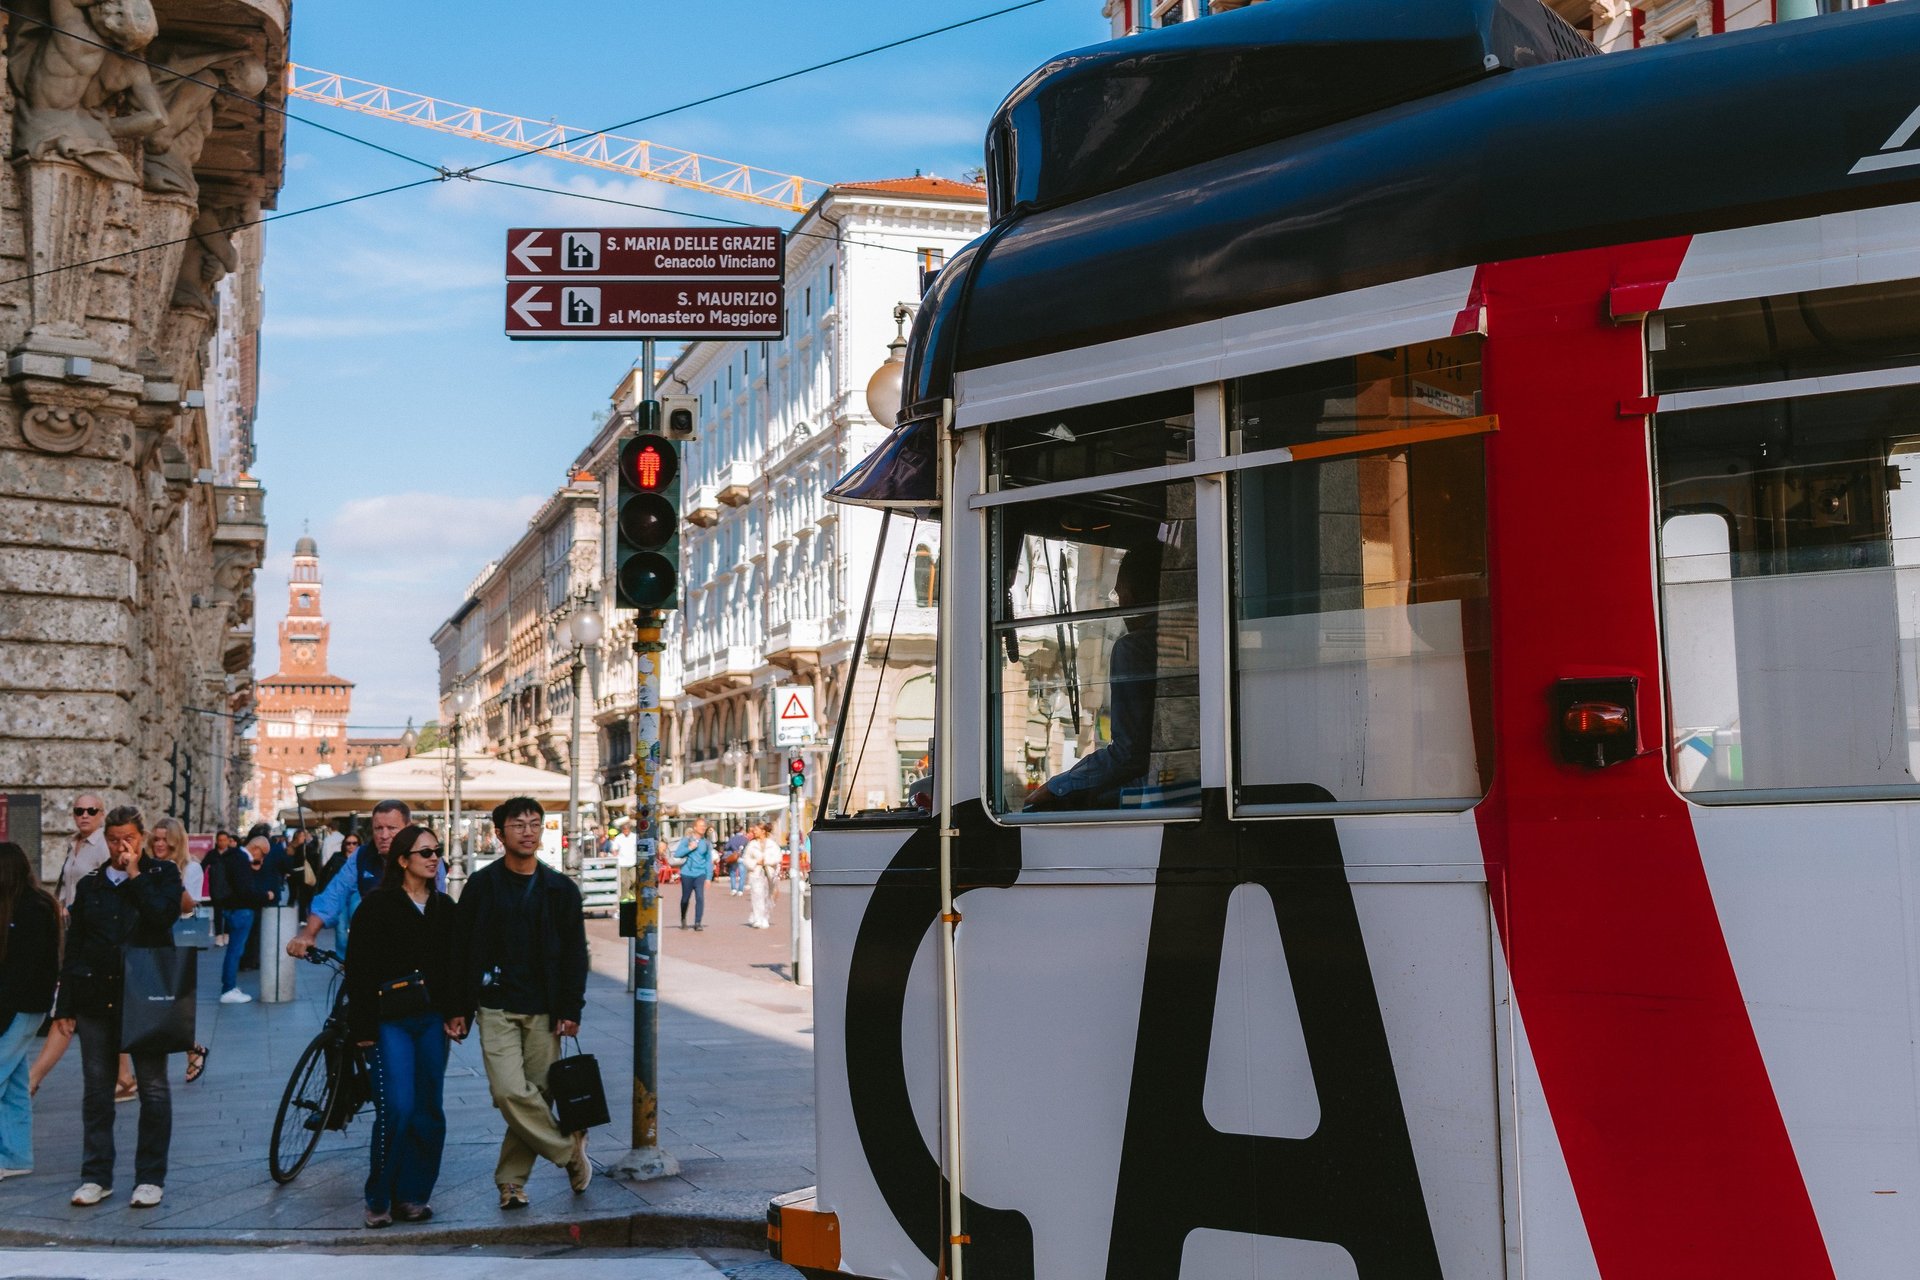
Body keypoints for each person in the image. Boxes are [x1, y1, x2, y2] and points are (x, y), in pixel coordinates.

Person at [453, 796, 590, 1210]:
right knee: (509, 1091)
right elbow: (462, 950)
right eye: (518, 824)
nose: (528, 831)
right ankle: (569, 1149)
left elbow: (574, 954)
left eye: (535, 823)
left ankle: (511, 1181)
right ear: (499, 834)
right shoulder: (481, 886)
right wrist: (457, 1007)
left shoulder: (560, 889)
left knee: (540, 1091)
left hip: (544, 1008)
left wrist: (571, 1010)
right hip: (495, 1004)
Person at [56, 806, 184, 1209]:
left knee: (153, 1088)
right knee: (97, 1091)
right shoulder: (92, 884)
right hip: (97, 995)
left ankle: (150, 1177)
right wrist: (66, 1004)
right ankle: (96, 1176)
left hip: (145, 994)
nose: (120, 846)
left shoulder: (161, 875)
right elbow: (76, 943)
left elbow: (163, 917)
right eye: (113, 839)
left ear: (141, 837)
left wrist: (134, 877)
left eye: (127, 838)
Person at [345, 826, 462, 1228]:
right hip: (388, 1021)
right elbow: (358, 970)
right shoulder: (377, 906)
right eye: (425, 852)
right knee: (398, 1107)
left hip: (431, 1020)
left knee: (429, 1109)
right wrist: (362, 1027)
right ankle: (379, 1195)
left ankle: (413, 1195)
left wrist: (459, 1011)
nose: (434, 857)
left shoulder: (445, 907)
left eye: (437, 850)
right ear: (402, 860)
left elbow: (455, 967)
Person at [1027, 544, 1163, 810]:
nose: (1119, 604)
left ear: (1132, 596)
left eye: (1119, 592)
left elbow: (1129, 754)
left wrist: (1058, 786)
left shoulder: (1136, 648)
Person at [31, 793, 115, 1100]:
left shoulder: (103, 847)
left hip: (90, 937)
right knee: (108, 1007)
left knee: (68, 1005)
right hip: (72, 932)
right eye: (79, 810)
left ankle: (32, 1079)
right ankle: (126, 1078)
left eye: (91, 811)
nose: (84, 815)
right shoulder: (73, 843)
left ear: (102, 814)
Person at [0, 841, 60, 1181]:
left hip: (20, 1007)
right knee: (14, 1085)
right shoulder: (28, 905)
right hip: (23, 1006)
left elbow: (21, 972)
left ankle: (13, 1155)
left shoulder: (30, 909)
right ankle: (17, 1156)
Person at [289, 801, 409, 960]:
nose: (384, 835)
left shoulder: (425, 854)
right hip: (374, 947)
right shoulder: (362, 856)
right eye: (378, 828)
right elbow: (335, 892)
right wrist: (308, 934)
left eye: (392, 828)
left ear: (408, 828)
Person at [149, 819, 210, 1084]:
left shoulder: (191, 868)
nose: (160, 844)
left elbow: (188, 906)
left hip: (177, 943)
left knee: (171, 1004)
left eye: (165, 839)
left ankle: (192, 1047)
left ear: (176, 841)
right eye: (156, 839)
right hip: (151, 942)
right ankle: (191, 1048)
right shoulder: (147, 867)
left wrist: (171, 874)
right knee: (157, 1003)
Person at [210, 835, 270, 1003]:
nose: (262, 859)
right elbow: (245, 891)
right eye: (263, 854)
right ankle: (228, 988)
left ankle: (229, 986)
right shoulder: (241, 860)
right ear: (256, 848)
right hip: (241, 910)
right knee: (235, 950)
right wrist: (265, 895)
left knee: (234, 950)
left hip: (230, 908)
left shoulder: (231, 856)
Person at [668, 818, 714, 931]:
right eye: (700, 825)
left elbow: (709, 860)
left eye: (704, 826)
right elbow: (678, 854)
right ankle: (683, 918)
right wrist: (689, 848)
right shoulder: (686, 840)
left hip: (700, 874)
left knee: (700, 897)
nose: (703, 828)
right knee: (685, 898)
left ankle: (698, 923)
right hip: (687, 873)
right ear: (695, 827)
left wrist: (708, 877)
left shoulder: (707, 843)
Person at [741, 823, 781, 930]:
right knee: (756, 895)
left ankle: (765, 916)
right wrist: (755, 863)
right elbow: (746, 859)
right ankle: (757, 918)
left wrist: (767, 861)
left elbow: (777, 857)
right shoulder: (751, 845)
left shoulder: (772, 844)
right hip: (756, 873)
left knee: (769, 895)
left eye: (757, 830)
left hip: (769, 873)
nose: (754, 832)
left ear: (763, 831)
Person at [724, 827, 747, 897]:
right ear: (741, 830)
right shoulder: (745, 839)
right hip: (742, 857)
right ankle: (740, 890)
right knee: (742, 874)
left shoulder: (732, 839)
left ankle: (733, 889)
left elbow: (726, 847)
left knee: (733, 873)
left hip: (734, 857)